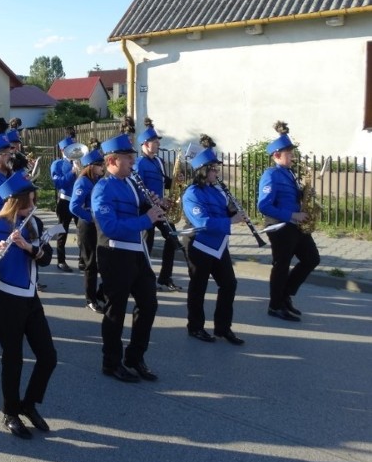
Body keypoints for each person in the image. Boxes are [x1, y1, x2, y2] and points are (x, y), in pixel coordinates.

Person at [0, 171, 56, 439]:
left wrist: (29, 248)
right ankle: (10, 412)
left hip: (31, 298)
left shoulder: (34, 224)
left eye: (34, 201)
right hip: (6, 300)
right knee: (13, 360)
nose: (32, 207)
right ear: (14, 202)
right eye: (27, 202)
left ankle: (29, 404)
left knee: (48, 356)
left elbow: (46, 258)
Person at [92, 134, 163, 383]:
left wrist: (154, 206)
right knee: (116, 310)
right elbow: (110, 226)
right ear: (112, 160)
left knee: (149, 304)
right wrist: (146, 219)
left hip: (136, 251)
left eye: (133, 157)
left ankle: (135, 357)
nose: (133, 161)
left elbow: (137, 207)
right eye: (128, 158)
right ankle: (111, 362)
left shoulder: (130, 182)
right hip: (114, 254)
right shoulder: (102, 188)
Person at [182, 138, 245, 344]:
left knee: (229, 284)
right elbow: (202, 221)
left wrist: (234, 210)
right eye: (213, 169)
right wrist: (230, 220)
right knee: (198, 287)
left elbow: (223, 210)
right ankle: (195, 327)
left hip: (218, 245)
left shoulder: (216, 190)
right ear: (202, 171)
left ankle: (223, 328)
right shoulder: (191, 193)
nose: (217, 173)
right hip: (200, 244)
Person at [257, 121, 320, 322]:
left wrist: (304, 194)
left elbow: (289, 195)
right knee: (281, 265)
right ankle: (275, 305)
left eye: (292, 153)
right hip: (280, 225)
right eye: (289, 154)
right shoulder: (271, 175)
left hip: (295, 225)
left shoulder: (289, 173)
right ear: (276, 155)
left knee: (312, 258)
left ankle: (285, 295)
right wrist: (293, 215)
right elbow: (264, 206)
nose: (293, 157)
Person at [134, 118, 181, 291]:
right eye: (155, 141)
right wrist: (156, 201)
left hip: (160, 207)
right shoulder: (139, 164)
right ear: (145, 144)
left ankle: (165, 277)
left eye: (158, 141)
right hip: (146, 208)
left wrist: (175, 181)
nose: (158, 143)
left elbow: (163, 182)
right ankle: (143, 279)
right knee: (147, 243)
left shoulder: (158, 161)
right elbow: (139, 189)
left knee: (173, 238)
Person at [69, 143, 105, 312]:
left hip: (98, 226)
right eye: (99, 165)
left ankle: (100, 293)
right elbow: (74, 206)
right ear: (91, 166)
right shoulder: (83, 181)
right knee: (91, 264)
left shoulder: (97, 180)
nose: (102, 167)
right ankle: (90, 299)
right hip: (87, 226)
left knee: (103, 261)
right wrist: (89, 217)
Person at [49, 134, 80, 272]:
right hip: (65, 201)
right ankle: (61, 261)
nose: (73, 150)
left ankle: (83, 260)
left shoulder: (80, 161)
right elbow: (58, 183)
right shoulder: (58, 164)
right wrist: (72, 172)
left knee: (83, 232)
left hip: (79, 201)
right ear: (63, 150)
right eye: (70, 148)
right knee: (63, 232)